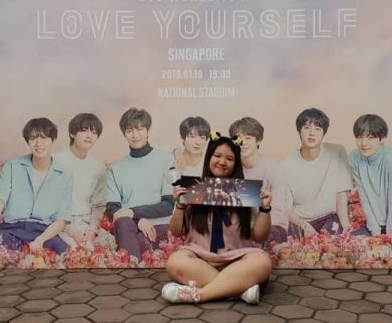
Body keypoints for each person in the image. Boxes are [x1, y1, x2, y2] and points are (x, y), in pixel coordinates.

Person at [162, 135, 273, 304]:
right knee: (175, 262)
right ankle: (239, 290)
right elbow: (177, 231)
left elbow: (260, 236)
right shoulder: (194, 188)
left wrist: (265, 208)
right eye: (217, 156)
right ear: (209, 158)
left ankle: (199, 295)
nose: (222, 162)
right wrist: (180, 205)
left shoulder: (246, 192)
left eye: (229, 158)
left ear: (235, 163)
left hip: (237, 259)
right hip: (200, 259)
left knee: (262, 262)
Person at [0, 118, 72, 255]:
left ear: (52, 140)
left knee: (63, 252)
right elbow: (0, 200)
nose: (39, 143)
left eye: (44, 138)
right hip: (11, 229)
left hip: (44, 231)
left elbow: (61, 219)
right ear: (28, 141)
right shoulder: (12, 166)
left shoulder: (64, 175)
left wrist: (40, 240)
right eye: (33, 138)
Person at [105, 108, 175, 261]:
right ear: (124, 134)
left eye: (139, 129)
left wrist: (133, 212)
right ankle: (132, 264)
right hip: (128, 226)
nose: (135, 135)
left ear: (147, 130)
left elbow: (169, 205)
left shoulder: (166, 160)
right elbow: (112, 210)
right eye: (129, 131)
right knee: (123, 223)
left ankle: (129, 265)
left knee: (133, 245)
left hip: (159, 226)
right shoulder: (115, 169)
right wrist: (137, 220)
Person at [281, 108, 352, 236]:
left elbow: (341, 195)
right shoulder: (286, 164)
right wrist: (304, 226)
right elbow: (286, 209)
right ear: (299, 131)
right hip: (299, 221)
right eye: (307, 127)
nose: (312, 133)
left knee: (332, 240)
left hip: (328, 218)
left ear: (324, 133)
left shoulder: (337, 152)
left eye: (318, 129)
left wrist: (346, 228)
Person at [348, 114, 392, 236]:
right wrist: (374, 229)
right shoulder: (354, 157)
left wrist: (391, 235)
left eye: (370, 138)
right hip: (377, 223)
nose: (364, 143)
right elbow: (364, 195)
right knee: (349, 242)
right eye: (360, 137)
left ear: (382, 139)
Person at [228, 117, 289, 243]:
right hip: (240, 226)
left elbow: (278, 212)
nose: (242, 143)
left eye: (248, 138)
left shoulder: (274, 169)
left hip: (272, 225)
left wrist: (251, 225)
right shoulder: (230, 169)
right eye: (238, 138)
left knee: (265, 239)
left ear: (258, 140)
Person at [54, 113, 108, 248]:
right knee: (69, 249)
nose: (89, 135)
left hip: (85, 223)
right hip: (58, 222)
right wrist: (72, 232)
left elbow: (99, 205)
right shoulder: (56, 161)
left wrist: (91, 231)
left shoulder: (99, 167)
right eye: (84, 130)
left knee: (109, 244)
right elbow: (49, 202)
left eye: (94, 132)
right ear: (72, 133)